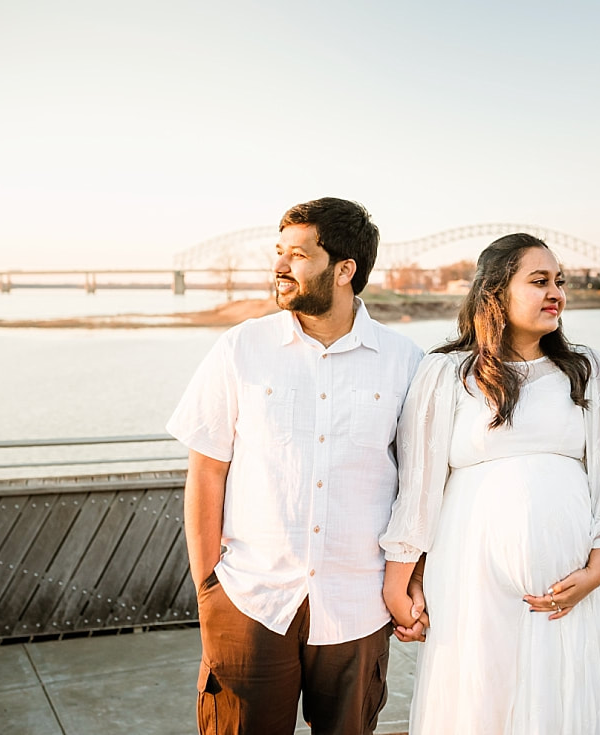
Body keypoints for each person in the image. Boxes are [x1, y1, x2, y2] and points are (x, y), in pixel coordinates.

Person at [380, 233, 600, 734]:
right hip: (471, 578)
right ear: (495, 292)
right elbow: (417, 485)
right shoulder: (446, 373)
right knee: (482, 701)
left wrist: (597, 569)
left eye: (560, 282)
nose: (556, 292)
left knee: (575, 702)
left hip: (579, 583)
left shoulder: (587, 371)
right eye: (538, 281)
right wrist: (401, 581)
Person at [167, 197, 424, 735]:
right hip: (249, 599)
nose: (279, 266)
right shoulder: (240, 348)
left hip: (359, 603)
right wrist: (207, 587)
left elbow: (418, 485)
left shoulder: (408, 363)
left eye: (298, 255)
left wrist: (412, 580)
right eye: (279, 252)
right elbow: (207, 471)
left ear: (344, 269)